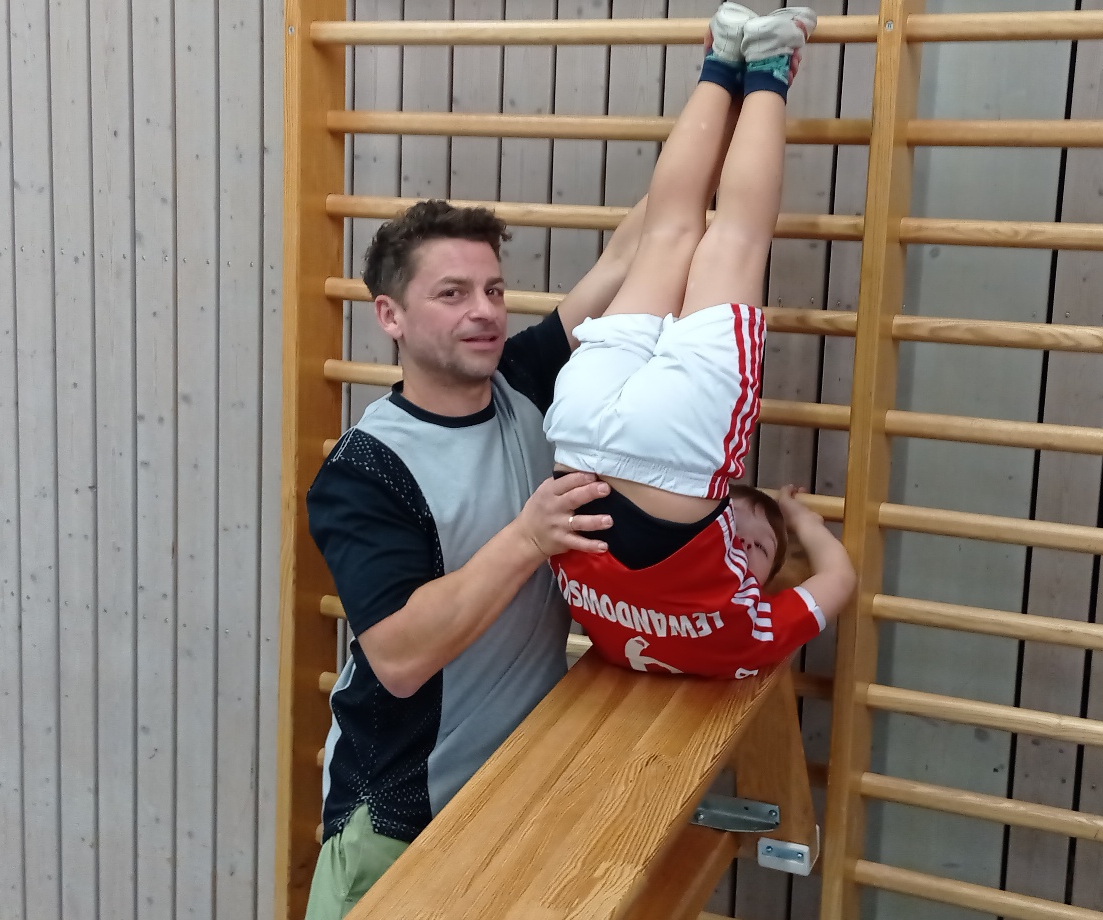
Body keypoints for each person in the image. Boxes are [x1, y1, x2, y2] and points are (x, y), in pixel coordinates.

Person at [300, 198, 640, 917]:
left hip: (516, 796)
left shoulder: (523, 382)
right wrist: (527, 539)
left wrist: (728, 122)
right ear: (390, 316)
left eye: (493, 289)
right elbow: (399, 657)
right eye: (452, 294)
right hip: (400, 821)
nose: (484, 311)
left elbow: (628, 252)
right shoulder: (366, 470)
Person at [544, 1, 857, 679]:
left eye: (753, 549)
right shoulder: (608, 640)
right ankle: (720, 56)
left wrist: (800, 523)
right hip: (576, 440)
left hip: (674, 459)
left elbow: (838, 580)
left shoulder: (747, 641)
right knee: (667, 235)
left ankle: (767, 63)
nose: (745, 549)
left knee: (734, 239)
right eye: (760, 548)